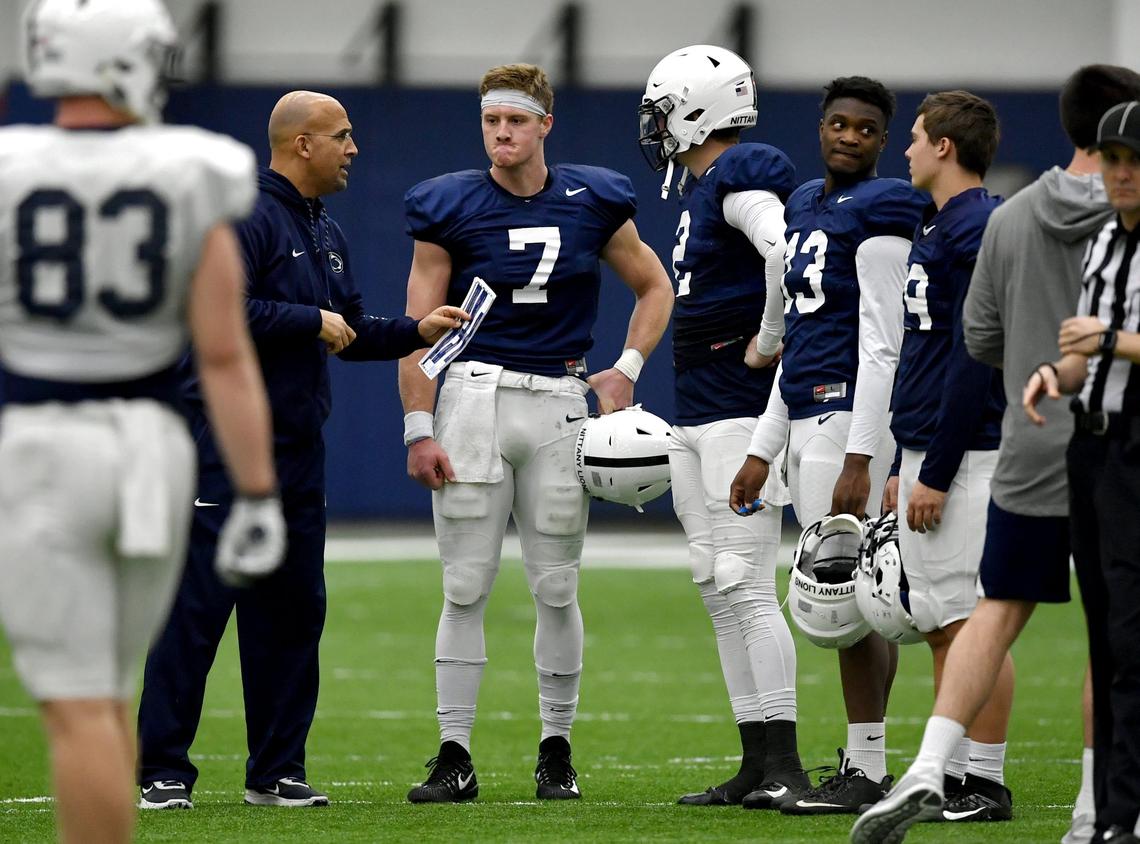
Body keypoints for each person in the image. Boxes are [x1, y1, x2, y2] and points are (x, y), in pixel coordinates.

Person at [0, 0, 287, 841]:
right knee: (111, 691)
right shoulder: (189, 167)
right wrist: (259, 493)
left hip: (41, 445)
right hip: (154, 449)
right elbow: (225, 352)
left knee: (78, 702)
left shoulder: (10, 167)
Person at [136, 91, 467, 809]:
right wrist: (305, 318)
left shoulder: (325, 229)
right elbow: (218, 312)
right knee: (198, 611)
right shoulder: (240, 217)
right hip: (221, 445)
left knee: (291, 614)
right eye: (342, 137)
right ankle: (163, 770)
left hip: (296, 451)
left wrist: (416, 330)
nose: (354, 150)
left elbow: (345, 334)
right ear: (303, 144)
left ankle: (276, 772)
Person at [849, 66, 1140, 844]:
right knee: (1111, 634)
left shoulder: (1008, 219)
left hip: (1019, 443)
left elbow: (978, 345)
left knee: (989, 614)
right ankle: (1091, 804)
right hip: (1110, 443)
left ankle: (933, 766)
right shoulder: (1102, 232)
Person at [399, 62, 672, 803]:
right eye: (491, 121)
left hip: (558, 398)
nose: (501, 134)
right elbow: (417, 327)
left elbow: (655, 285)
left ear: (545, 124)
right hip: (475, 397)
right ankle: (453, 754)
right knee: (463, 587)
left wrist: (626, 369)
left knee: (556, 587)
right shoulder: (447, 205)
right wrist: (418, 426)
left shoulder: (593, 198)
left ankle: (557, 750)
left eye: (515, 121)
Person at [729, 76, 927, 815]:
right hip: (809, 418)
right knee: (847, 604)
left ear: (883, 140)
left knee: (855, 605)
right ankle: (863, 761)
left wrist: (859, 456)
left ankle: (867, 768)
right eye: (838, 123)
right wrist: (760, 447)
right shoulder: (809, 200)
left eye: (866, 129)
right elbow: (801, 345)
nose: (849, 137)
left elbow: (882, 346)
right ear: (820, 126)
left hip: (851, 421)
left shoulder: (882, 210)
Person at [636, 45, 807, 808]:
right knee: (716, 588)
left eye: (662, 109)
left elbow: (786, 253)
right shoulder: (702, 188)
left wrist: (770, 339)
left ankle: (786, 764)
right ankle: (753, 761)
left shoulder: (743, 173)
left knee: (746, 584)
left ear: (695, 107)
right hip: (700, 410)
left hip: (741, 411)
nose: (655, 126)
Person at [854, 91, 1012, 833]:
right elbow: (925, 354)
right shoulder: (944, 222)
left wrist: (938, 468)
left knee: (967, 623)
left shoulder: (976, 227)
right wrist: (905, 454)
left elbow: (975, 355)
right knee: (948, 622)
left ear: (946, 146)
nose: (906, 150)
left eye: (916, 138)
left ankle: (984, 779)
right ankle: (952, 773)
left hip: (967, 454)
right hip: (930, 445)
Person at [1023, 99, 1140, 844]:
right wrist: (1054, 374)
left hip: (1137, 447)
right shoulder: (1102, 240)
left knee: (1132, 637)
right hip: (1091, 445)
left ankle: (1125, 814)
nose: (1122, 175)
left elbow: (1108, 341)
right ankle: (1107, 816)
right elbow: (1082, 353)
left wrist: (1109, 340)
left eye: (1134, 161)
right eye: (1115, 160)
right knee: (1102, 633)